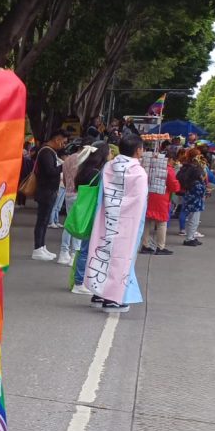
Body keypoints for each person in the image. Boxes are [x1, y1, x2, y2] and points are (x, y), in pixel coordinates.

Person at [84, 134, 148, 313]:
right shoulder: (138, 172)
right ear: (138, 150)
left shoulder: (109, 166)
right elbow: (139, 200)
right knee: (121, 257)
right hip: (127, 222)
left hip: (107, 216)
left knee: (102, 250)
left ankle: (98, 292)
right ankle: (113, 298)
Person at [69, 142, 110, 296]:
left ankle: (80, 280)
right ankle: (79, 282)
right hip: (93, 213)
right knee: (87, 248)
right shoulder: (97, 173)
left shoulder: (85, 169)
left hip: (84, 211)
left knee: (85, 247)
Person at [31, 129, 68, 261]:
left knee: (45, 220)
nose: (63, 146)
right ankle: (37, 248)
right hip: (45, 191)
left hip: (48, 190)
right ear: (57, 139)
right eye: (63, 143)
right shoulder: (46, 152)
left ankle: (42, 246)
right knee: (42, 220)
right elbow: (50, 171)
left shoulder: (49, 152)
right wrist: (64, 167)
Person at [140, 148, 179, 255]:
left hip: (149, 195)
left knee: (147, 221)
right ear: (170, 159)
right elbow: (174, 186)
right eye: (173, 160)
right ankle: (160, 247)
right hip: (162, 197)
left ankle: (145, 244)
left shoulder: (151, 166)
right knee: (162, 222)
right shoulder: (168, 170)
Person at [56, 141, 86, 265]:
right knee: (78, 225)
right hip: (79, 193)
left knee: (69, 224)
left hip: (68, 193)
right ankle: (74, 254)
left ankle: (64, 252)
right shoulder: (83, 159)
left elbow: (64, 176)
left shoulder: (68, 159)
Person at [177, 148, 207, 247]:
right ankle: (189, 238)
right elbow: (199, 181)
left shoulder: (187, 167)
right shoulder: (195, 168)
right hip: (195, 195)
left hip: (189, 194)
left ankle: (191, 236)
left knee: (192, 217)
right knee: (194, 218)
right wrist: (205, 191)